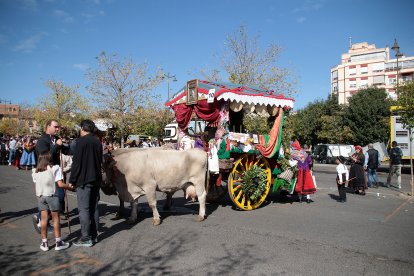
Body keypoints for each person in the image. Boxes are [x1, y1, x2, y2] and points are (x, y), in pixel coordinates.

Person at [69, 120, 102, 247]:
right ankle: (94, 236)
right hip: (96, 179)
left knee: (84, 209)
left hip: (83, 180)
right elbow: (99, 161)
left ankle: (85, 237)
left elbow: (76, 163)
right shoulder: (97, 142)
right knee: (94, 208)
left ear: (82, 128)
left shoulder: (80, 142)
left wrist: (72, 180)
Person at [32, 151, 73, 251]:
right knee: (55, 219)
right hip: (52, 196)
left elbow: (37, 185)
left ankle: (44, 243)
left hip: (41, 196)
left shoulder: (35, 171)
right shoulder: (55, 169)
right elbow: (60, 184)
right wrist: (69, 186)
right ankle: (58, 242)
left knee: (44, 219)